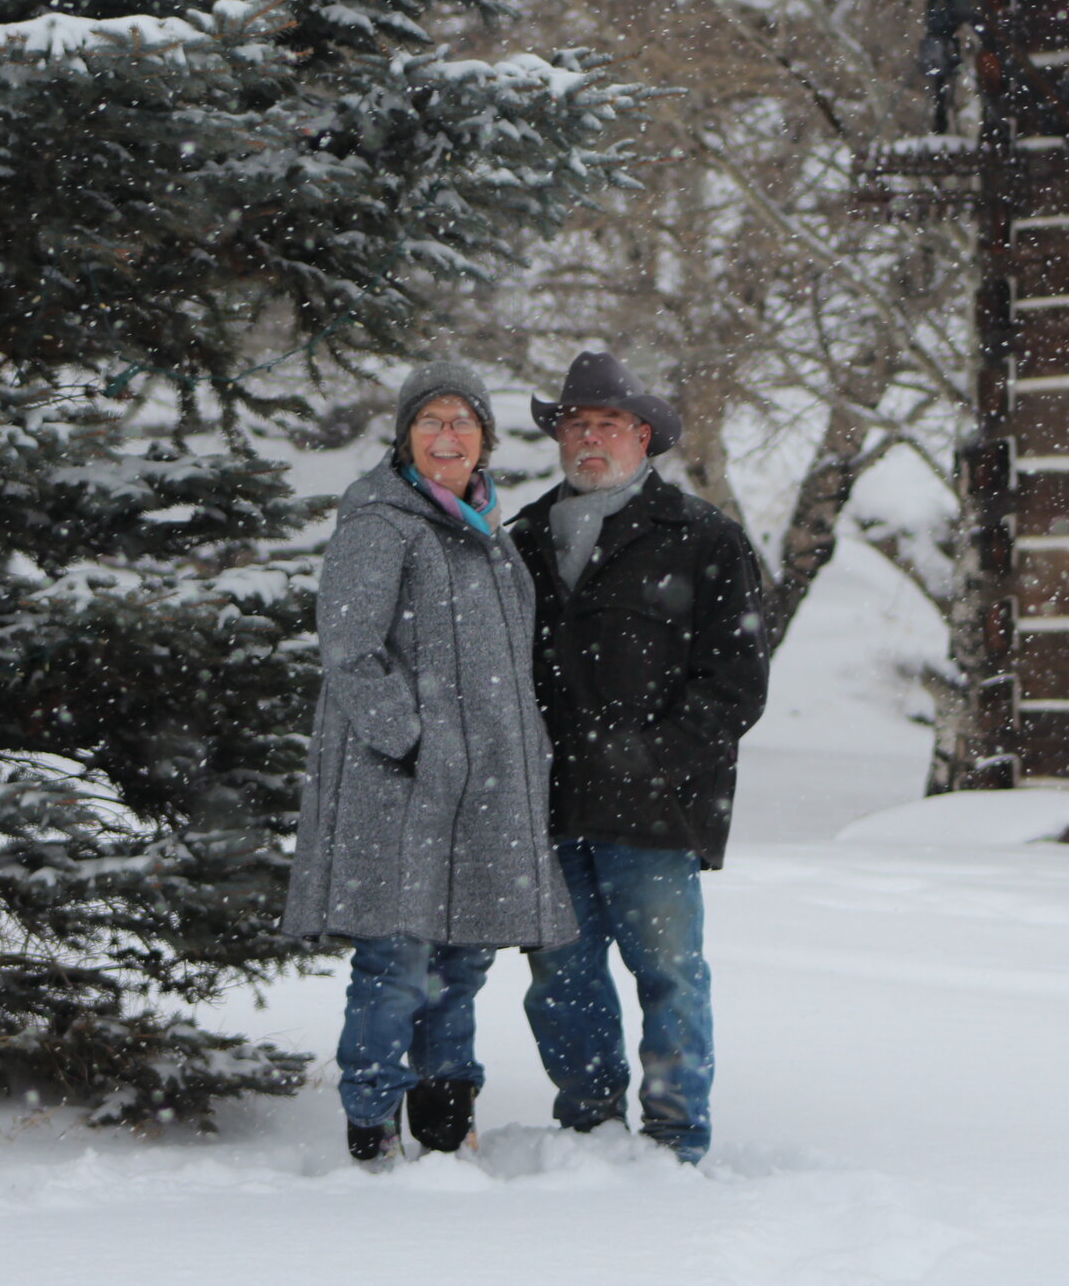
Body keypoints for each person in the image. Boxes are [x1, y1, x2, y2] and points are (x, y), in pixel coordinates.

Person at [284, 361, 580, 1164]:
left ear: (484, 439)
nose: (447, 437)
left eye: (462, 422)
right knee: (396, 960)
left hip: (480, 793)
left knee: (461, 958)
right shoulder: (382, 522)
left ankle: (448, 1123)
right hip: (402, 790)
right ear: (406, 436)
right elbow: (349, 653)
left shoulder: (485, 532)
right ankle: (373, 1128)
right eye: (431, 421)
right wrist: (417, 740)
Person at [508, 351, 769, 1164]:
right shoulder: (520, 539)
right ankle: (588, 1127)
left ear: (644, 435)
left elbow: (736, 683)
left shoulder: (703, 539)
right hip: (546, 807)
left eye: (608, 424)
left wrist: (651, 756)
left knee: (669, 975)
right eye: (576, 424)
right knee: (561, 979)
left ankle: (674, 1136)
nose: (590, 438)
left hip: (657, 810)